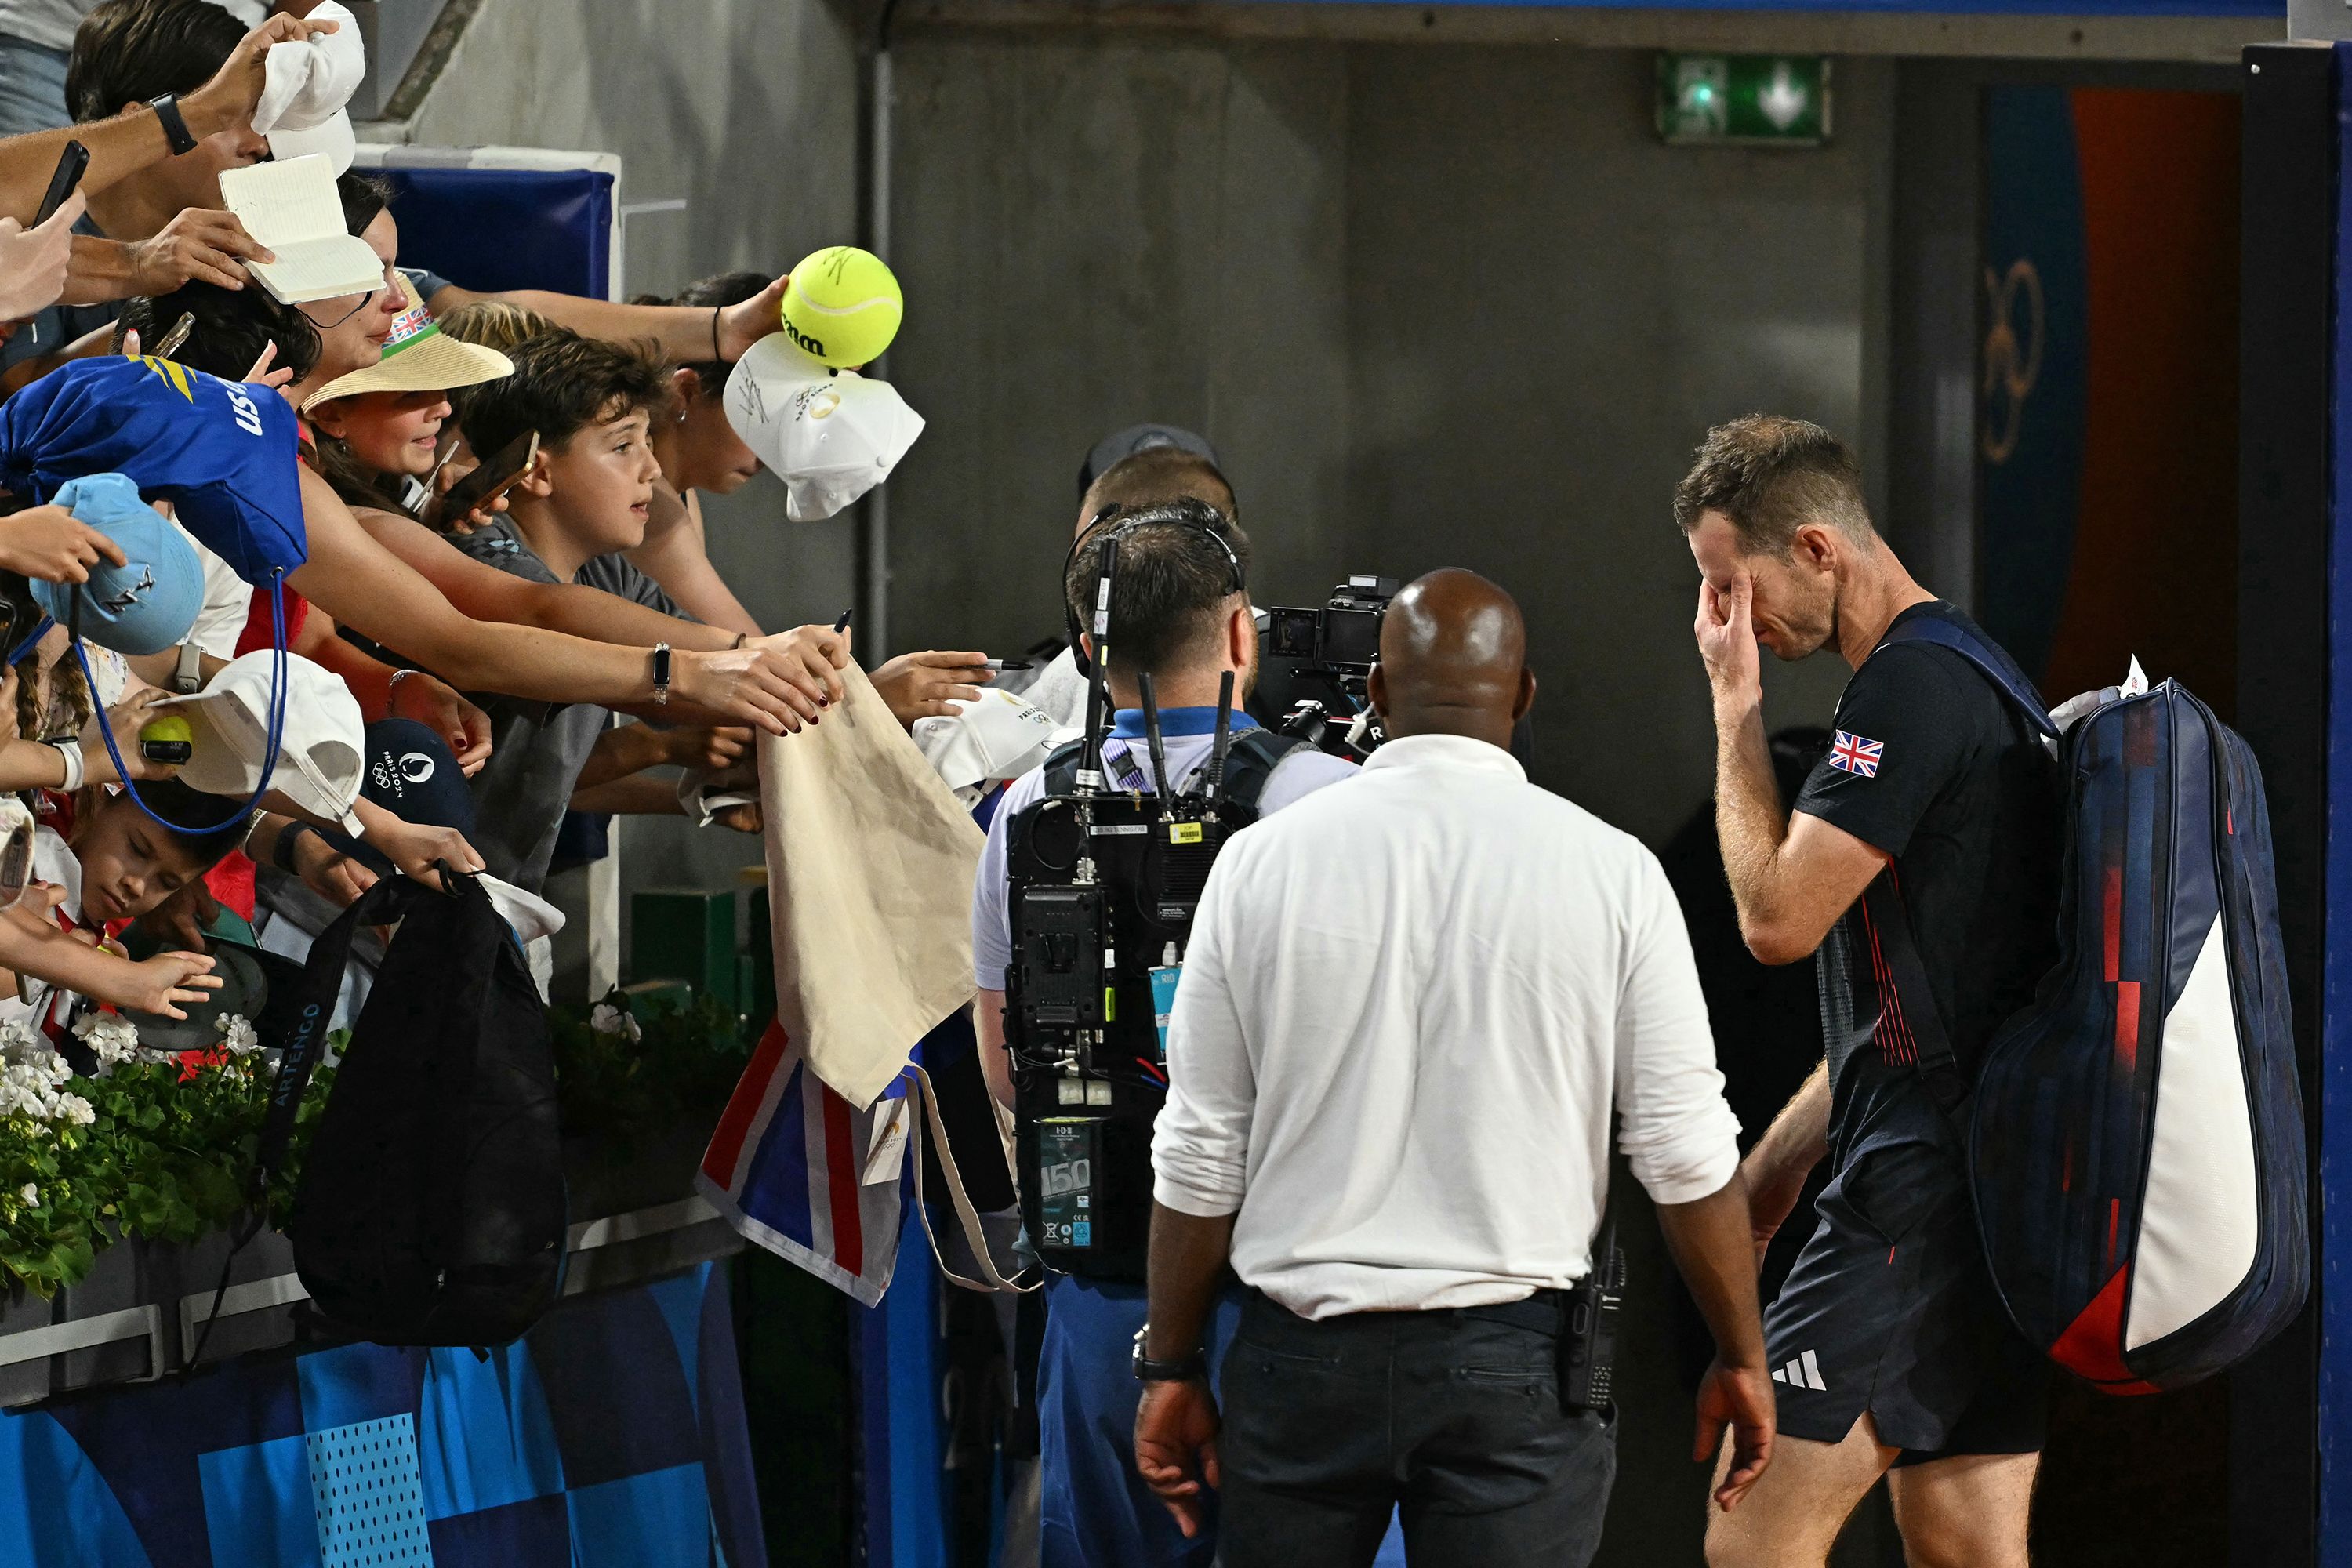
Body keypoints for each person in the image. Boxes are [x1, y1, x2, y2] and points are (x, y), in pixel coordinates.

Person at [1137, 569, 1771, 1566]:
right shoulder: (1614, 874)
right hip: (1516, 1375)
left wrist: (1170, 1363)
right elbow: (1686, 1154)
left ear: (1377, 696)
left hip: (1301, 1364)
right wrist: (1741, 1351)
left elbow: (1202, 1149)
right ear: (1522, 698)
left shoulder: (1259, 866)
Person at [1679, 416, 2058, 1568]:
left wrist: (1734, 704)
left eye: (1731, 589)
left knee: (1750, 1540)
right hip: (1996, 1191)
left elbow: (1776, 918)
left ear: (1815, 548)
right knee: (1963, 1543)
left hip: (1920, 1201)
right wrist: (1778, 1167)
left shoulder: (1910, 694)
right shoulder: (1981, 671)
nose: (1723, 621)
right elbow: (1924, 1002)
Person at [971, 497, 1358, 1568]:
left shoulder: (1025, 811)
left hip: (1110, 1289)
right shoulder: (1333, 803)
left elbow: (1009, 1068)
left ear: (1089, 647)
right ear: (1244, 632)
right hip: (1304, 1294)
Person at [1, 2, 333, 378]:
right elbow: (20, 386)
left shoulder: (255, 236)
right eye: (231, 117)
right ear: (138, 120)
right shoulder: (33, 225)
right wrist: (190, 312)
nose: (259, 144)